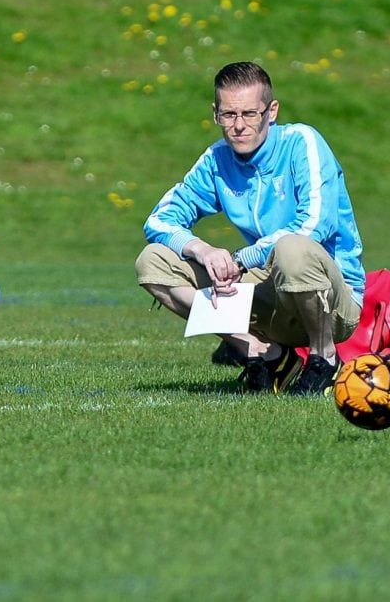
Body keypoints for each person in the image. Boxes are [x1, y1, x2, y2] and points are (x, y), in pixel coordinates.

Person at [135, 61, 365, 395]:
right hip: (270, 289)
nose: (239, 126)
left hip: (332, 300)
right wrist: (205, 250)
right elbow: (158, 219)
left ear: (271, 111)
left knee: (292, 248)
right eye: (229, 115)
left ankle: (324, 358)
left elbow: (316, 224)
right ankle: (263, 353)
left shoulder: (303, 142)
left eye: (250, 114)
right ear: (215, 115)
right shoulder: (216, 160)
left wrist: (242, 258)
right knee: (152, 261)